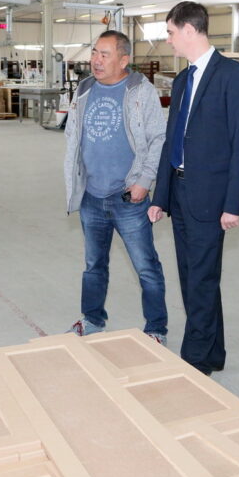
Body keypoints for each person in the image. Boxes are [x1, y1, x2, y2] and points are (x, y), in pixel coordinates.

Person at [148, 1, 239, 375]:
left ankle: (193, 363)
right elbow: (172, 140)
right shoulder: (183, 80)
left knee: (201, 279)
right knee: (194, 277)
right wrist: (161, 196)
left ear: (189, 30)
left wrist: (233, 203)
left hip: (211, 197)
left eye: (170, 32)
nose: (168, 40)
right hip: (179, 193)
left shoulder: (232, 75)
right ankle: (213, 353)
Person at [64, 30, 169, 344]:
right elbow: (73, 136)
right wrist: (77, 182)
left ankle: (156, 329)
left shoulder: (140, 90)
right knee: (93, 266)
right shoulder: (84, 89)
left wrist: (144, 181)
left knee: (146, 267)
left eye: (104, 54)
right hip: (92, 196)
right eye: (95, 52)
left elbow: (158, 138)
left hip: (128, 197)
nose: (96, 60)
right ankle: (92, 320)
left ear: (123, 60)